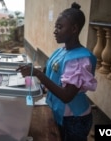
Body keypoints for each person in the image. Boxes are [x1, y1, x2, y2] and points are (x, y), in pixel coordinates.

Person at [16, 2, 97, 141]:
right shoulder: (61, 51)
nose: (55, 31)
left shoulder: (80, 58)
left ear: (74, 29)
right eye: (55, 27)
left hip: (75, 119)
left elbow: (66, 96)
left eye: (60, 27)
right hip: (59, 113)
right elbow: (51, 75)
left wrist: (37, 74)